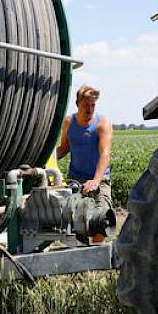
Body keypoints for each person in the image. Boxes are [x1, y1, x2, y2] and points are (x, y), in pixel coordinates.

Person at [56, 85, 113, 238]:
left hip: (99, 180)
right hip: (75, 180)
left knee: (101, 219)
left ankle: (97, 251)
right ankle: (79, 253)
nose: (90, 109)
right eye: (86, 105)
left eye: (93, 105)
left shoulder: (102, 123)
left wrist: (95, 180)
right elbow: (63, 148)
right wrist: (46, 159)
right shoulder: (69, 122)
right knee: (73, 222)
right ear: (77, 104)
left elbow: (105, 153)